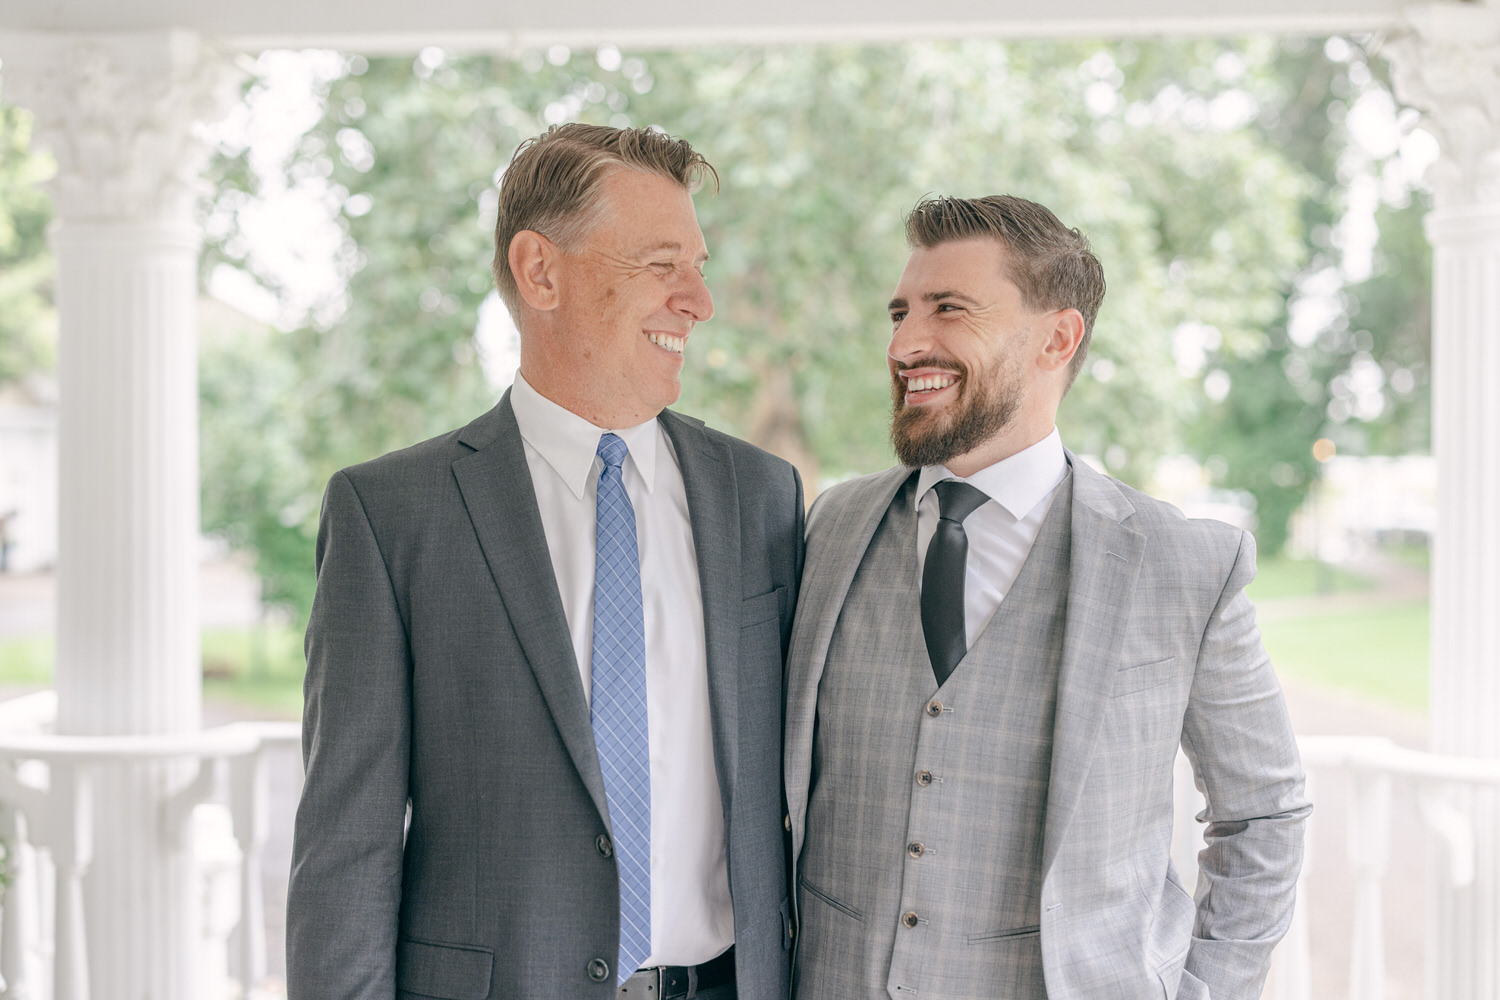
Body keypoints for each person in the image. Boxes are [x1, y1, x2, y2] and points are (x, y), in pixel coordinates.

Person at [287, 124, 803, 1000]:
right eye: (661, 264)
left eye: (700, 266)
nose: (698, 301)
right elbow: (348, 846)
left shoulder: (762, 496)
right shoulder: (392, 514)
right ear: (541, 271)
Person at [784, 194, 1309, 1000]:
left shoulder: (1182, 565)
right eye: (900, 313)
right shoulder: (831, 527)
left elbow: (1262, 814)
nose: (905, 343)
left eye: (948, 309)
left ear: (1056, 338)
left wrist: (1209, 989)